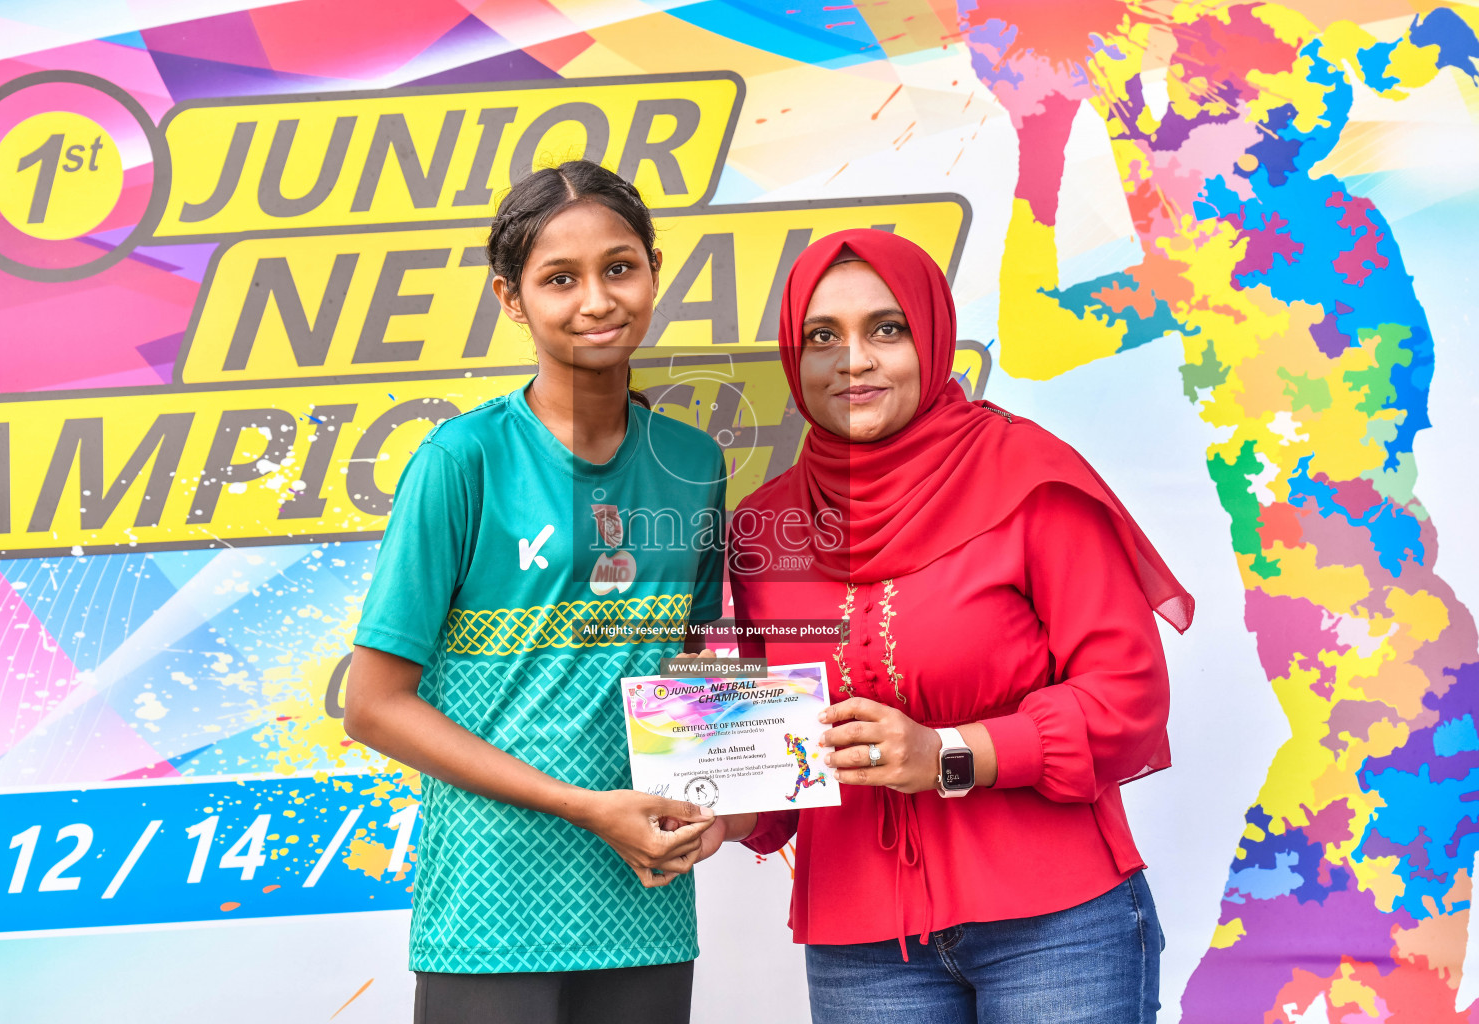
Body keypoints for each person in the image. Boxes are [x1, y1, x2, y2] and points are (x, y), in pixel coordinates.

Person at [716, 228, 1193, 1024]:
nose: (854, 360)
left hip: (1057, 924)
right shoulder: (765, 530)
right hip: (861, 944)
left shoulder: (1030, 480)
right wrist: (717, 814)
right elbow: (783, 761)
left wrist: (946, 753)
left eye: (886, 329)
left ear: (933, 337)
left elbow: (1126, 701)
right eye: (822, 336)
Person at [343, 160, 729, 1024]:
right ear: (512, 300)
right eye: (560, 279)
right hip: (489, 912)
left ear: (654, 271)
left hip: (646, 902)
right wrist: (587, 808)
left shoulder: (695, 465)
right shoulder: (460, 462)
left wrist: (722, 803)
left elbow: (698, 671)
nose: (596, 299)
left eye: (619, 268)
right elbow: (372, 706)